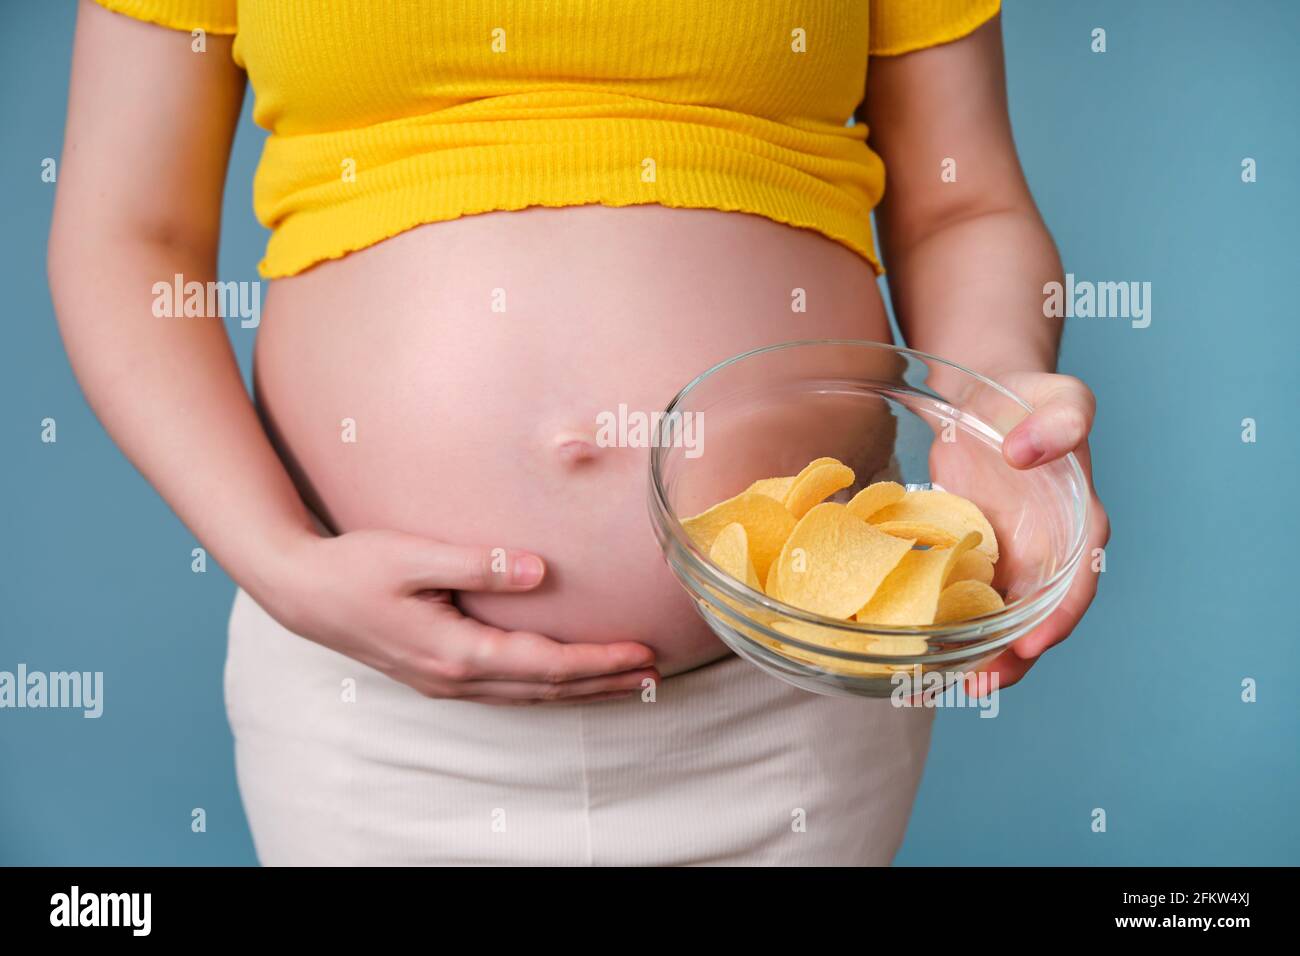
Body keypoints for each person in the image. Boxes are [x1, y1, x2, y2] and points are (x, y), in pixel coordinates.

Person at [49, 0, 1109, 865]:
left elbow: (959, 208)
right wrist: (276, 561)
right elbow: (127, 233)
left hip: (783, 702)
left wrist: (995, 409)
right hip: (370, 710)